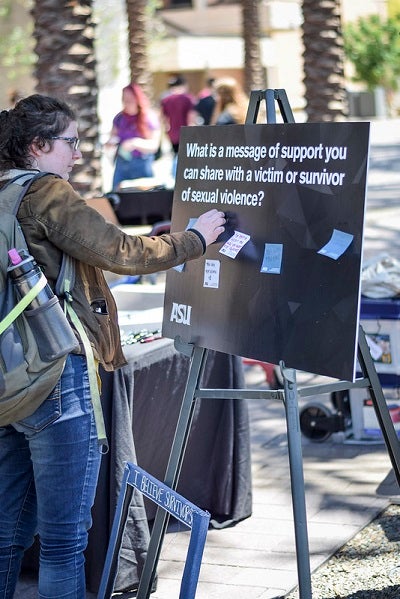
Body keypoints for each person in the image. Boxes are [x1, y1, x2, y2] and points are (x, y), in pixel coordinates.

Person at [0, 93, 225, 599]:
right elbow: (119, 251)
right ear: (38, 146)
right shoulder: (44, 193)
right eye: (69, 143)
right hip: (55, 375)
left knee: (5, 536)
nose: (77, 155)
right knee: (61, 543)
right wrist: (194, 239)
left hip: (6, 376)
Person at [106, 83, 161, 190]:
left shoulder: (149, 117)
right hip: (122, 164)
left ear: (137, 98)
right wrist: (110, 144)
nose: (127, 102)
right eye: (124, 99)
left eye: (130, 99)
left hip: (142, 164)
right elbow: (113, 137)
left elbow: (154, 146)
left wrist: (135, 143)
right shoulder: (119, 118)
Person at [160, 75, 197, 175]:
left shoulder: (165, 100)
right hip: (186, 134)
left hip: (172, 134)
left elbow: (164, 119)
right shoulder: (188, 98)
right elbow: (191, 118)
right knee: (186, 161)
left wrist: (166, 133)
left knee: (176, 156)